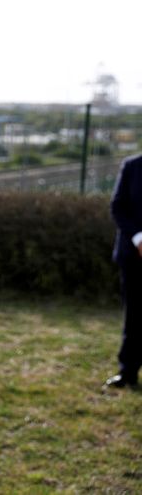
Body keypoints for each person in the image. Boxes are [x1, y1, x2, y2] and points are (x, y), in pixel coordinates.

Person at [105, 152, 142, 389]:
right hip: (134, 256)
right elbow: (118, 207)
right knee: (135, 316)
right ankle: (128, 372)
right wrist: (139, 238)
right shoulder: (132, 166)